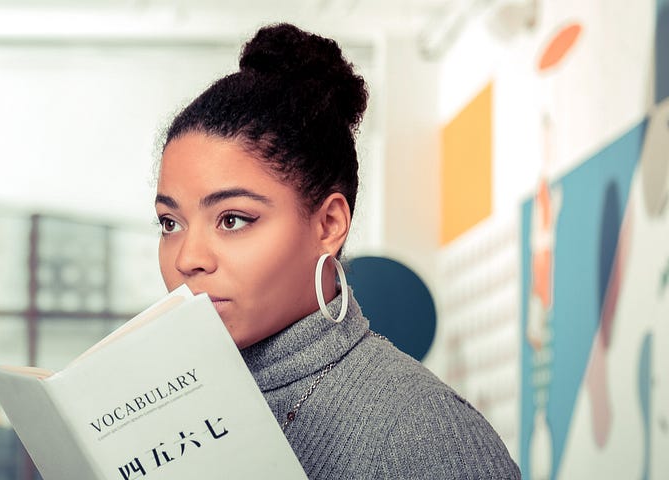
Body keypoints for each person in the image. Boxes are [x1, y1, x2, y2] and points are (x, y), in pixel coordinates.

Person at [151, 23, 519, 478]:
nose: (188, 258)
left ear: (329, 224)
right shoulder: (167, 415)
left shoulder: (428, 437)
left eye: (233, 219)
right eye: (170, 223)